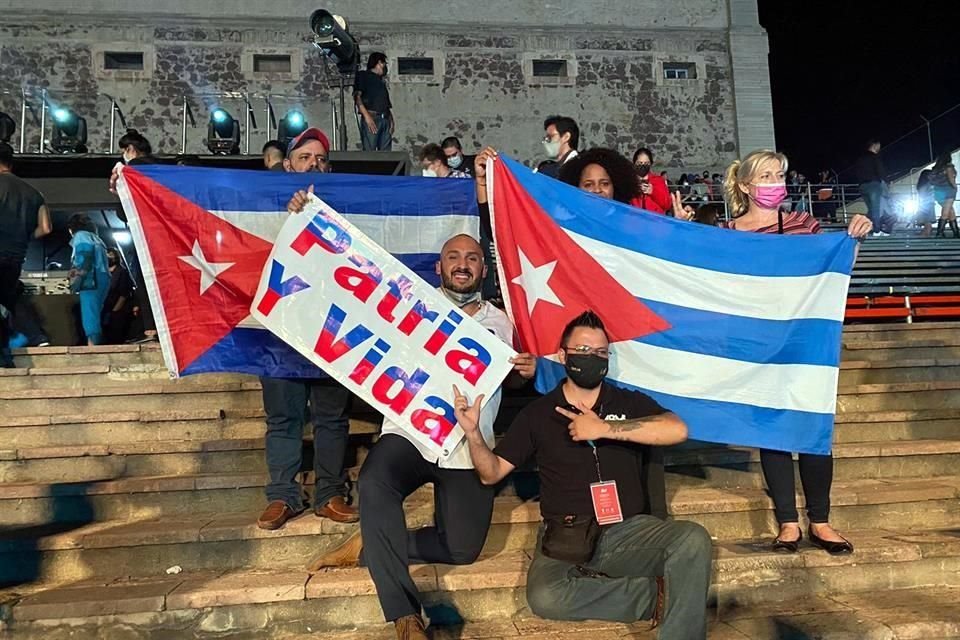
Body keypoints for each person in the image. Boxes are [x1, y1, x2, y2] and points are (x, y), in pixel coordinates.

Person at [307, 234, 538, 640]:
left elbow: (509, 384)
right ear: (439, 266)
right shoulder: (409, 306)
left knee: (463, 550)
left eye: (471, 258)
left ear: (483, 271)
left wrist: (525, 375)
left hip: (468, 446)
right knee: (376, 479)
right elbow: (339, 289)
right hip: (410, 434)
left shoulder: (502, 321)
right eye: (453, 257)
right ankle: (405, 617)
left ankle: (369, 543)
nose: (462, 264)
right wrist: (304, 221)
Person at [458, 310, 711, 639]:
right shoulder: (537, 414)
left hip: (627, 532)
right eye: (582, 351)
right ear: (563, 356)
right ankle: (656, 598)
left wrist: (606, 428)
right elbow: (491, 474)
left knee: (692, 539)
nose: (592, 358)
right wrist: (474, 435)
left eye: (600, 353)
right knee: (545, 597)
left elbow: (677, 429)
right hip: (566, 535)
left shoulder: (627, 401)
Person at [722, 149, 871, 555]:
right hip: (757, 345)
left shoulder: (804, 224)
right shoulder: (727, 231)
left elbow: (836, 269)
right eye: (766, 175)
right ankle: (789, 523)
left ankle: (820, 522)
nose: (776, 182)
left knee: (811, 431)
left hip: (804, 344)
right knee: (771, 433)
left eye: (780, 174)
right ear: (746, 185)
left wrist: (853, 237)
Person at [258, 127, 357, 530]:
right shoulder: (262, 207)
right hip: (280, 330)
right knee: (284, 416)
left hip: (330, 327)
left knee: (332, 416)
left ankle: (329, 492)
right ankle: (283, 494)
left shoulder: (346, 209)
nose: (313, 164)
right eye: (305, 158)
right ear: (287, 165)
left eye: (320, 160)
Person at [0, 143, 52, 366]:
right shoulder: (34, 192)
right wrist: (21, 236)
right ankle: (33, 340)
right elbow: (46, 227)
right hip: (16, 256)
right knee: (8, 299)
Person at [67, 214, 111, 346]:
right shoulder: (97, 238)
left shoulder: (80, 236)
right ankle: (94, 343)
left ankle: (93, 346)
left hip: (91, 278)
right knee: (96, 311)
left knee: (89, 312)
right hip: (104, 277)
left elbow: (85, 255)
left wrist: (78, 275)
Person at [558, 147, 640, 204]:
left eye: (605, 184)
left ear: (615, 187)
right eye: (588, 185)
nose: (597, 190)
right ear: (576, 188)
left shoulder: (629, 226)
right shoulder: (564, 228)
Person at [354, 52, 394, 151]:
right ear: (379, 63)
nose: (385, 67)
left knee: (386, 155)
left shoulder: (381, 81)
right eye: (384, 64)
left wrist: (391, 120)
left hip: (384, 118)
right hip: (372, 117)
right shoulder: (363, 76)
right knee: (370, 153)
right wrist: (367, 117)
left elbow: (386, 103)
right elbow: (357, 98)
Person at [101, 247, 134, 344]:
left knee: (116, 336)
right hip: (104, 308)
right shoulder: (102, 273)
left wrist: (115, 311)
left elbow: (124, 293)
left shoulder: (121, 272)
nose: (108, 257)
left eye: (110, 255)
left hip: (118, 310)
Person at [855, 139, 888, 236]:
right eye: (878, 146)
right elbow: (880, 171)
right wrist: (886, 182)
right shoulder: (874, 157)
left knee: (871, 209)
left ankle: (865, 227)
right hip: (873, 184)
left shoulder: (860, 158)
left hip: (862, 185)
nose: (879, 148)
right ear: (874, 145)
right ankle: (876, 230)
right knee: (875, 208)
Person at [631, 147, 671, 214]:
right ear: (634, 163)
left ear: (651, 164)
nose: (642, 166)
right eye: (639, 163)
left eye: (646, 163)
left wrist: (653, 191)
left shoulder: (658, 180)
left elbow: (667, 204)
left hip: (655, 222)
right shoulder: (629, 180)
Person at [930, 153, 958, 238]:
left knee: (950, 211)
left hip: (938, 191)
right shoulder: (949, 167)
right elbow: (951, 179)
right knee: (946, 212)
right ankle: (940, 233)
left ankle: (956, 232)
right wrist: (955, 187)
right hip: (948, 191)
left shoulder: (936, 168)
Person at [916, 169, 935, 237]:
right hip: (928, 204)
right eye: (931, 175)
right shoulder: (928, 185)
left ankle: (925, 234)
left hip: (925, 204)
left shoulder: (922, 185)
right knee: (928, 222)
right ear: (927, 176)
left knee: (927, 222)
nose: (933, 176)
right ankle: (926, 234)